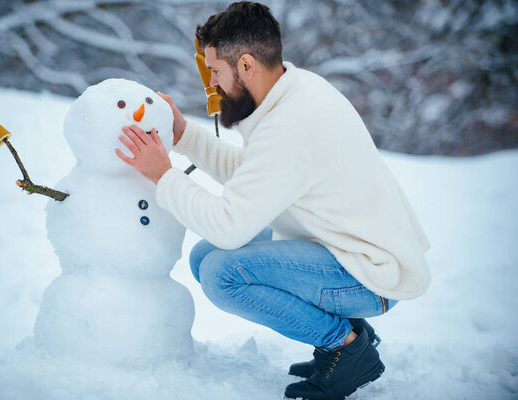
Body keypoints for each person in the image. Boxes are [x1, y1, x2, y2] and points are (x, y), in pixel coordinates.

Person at [114, 2, 431, 399]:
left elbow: (230, 227)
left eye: (215, 71)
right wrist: (184, 137)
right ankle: (347, 335)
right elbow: (256, 174)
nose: (211, 83)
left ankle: (346, 347)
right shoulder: (293, 91)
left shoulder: (291, 123)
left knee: (220, 274)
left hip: (368, 272)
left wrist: (162, 175)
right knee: (203, 258)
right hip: (341, 246)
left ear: (246, 64)